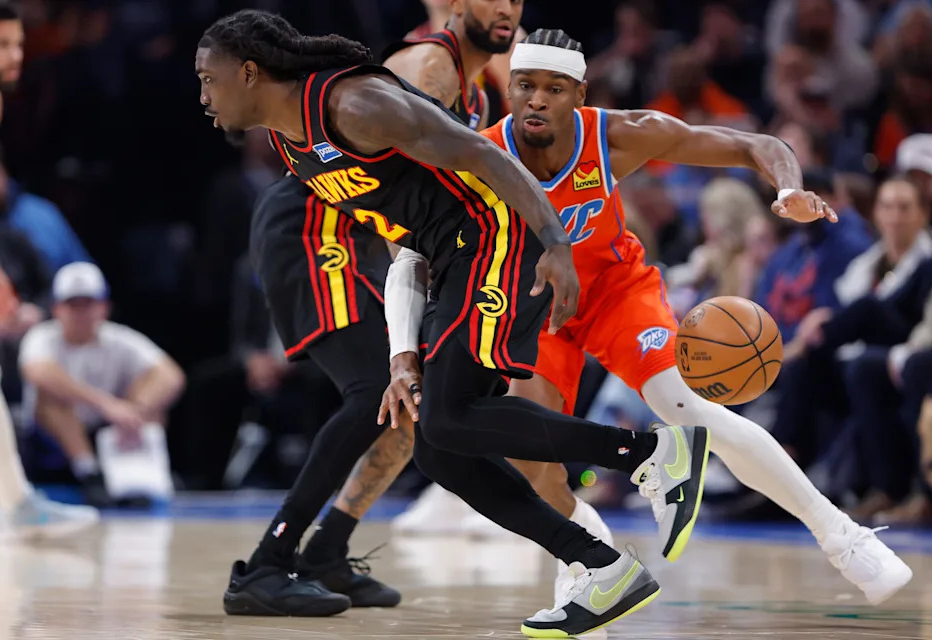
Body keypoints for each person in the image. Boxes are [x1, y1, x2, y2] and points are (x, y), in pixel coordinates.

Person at [197, 10, 713, 637]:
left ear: (249, 72)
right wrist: (399, 350)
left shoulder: (356, 104)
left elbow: (480, 153)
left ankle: (653, 450)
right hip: (446, 260)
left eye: (209, 79)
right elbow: (401, 244)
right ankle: (601, 565)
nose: (203, 97)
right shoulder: (290, 141)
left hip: (494, 235)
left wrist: (554, 242)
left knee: (446, 418)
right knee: (441, 449)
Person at [384, 28, 912, 607]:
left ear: (579, 96)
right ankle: (590, 550)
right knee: (534, 466)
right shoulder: (476, 158)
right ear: (509, 89)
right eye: (526, 85)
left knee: (683, 404)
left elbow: (752, 144)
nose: (537, 99)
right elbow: (409, 259)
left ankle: (841, 534)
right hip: (532, 310)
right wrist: (401, 354)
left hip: (614, 290)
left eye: (554, 89)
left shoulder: (618, 136)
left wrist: (788, 188)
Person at [221, 0, 531, 618]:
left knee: (404, 405)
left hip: (368, 237)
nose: (509, 15)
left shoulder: (479, 85)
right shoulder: (427, 65)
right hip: (318, 226)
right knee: (374, 391)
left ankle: (328, 547)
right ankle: (266, 564)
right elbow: (397, 189)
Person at [0, 0, 98, 540]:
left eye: (18, 43)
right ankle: (15, 503)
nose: (17, 54)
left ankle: (16, 504)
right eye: (2, 44)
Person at [19, 262, 186, 507]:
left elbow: (171, 375)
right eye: (72, 304)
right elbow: (38, 372)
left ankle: (138, 476)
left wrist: (135, 409)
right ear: (56, 309)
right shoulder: (41, 336)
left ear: (104, 307)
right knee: (52, 397)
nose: (80, 312)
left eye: (88, 304)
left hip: (108, 429)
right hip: (53, 434)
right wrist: (105, 403)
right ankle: (89, 473)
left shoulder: (119, 338)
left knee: (150, 393)